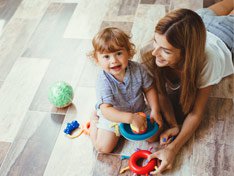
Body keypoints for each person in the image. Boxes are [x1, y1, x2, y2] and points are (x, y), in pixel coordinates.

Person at [143, 0, 234, 174]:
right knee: (223, 6)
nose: (155, 53)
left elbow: (196, 113)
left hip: (227, 36)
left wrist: (173, 149)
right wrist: (173, 123)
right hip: (201, 21)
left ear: (187, 54)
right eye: (156, 42)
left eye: (166, 51)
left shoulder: (208, 63)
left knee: (229, 16)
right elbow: (160, 92)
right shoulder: (157, 47)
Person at [88, 27, 163, 153]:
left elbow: (149, 89)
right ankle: (94, 119)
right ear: (97, 60)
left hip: (139, 110)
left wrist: (155, 110)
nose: (114, 60)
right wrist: (130, 118)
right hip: (113, 116)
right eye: (106, 56)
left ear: (128, 52)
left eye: (118, 53)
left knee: (155, 135)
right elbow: (107, 110)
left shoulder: (138, 69)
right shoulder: (103, 81)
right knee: (103, 148)